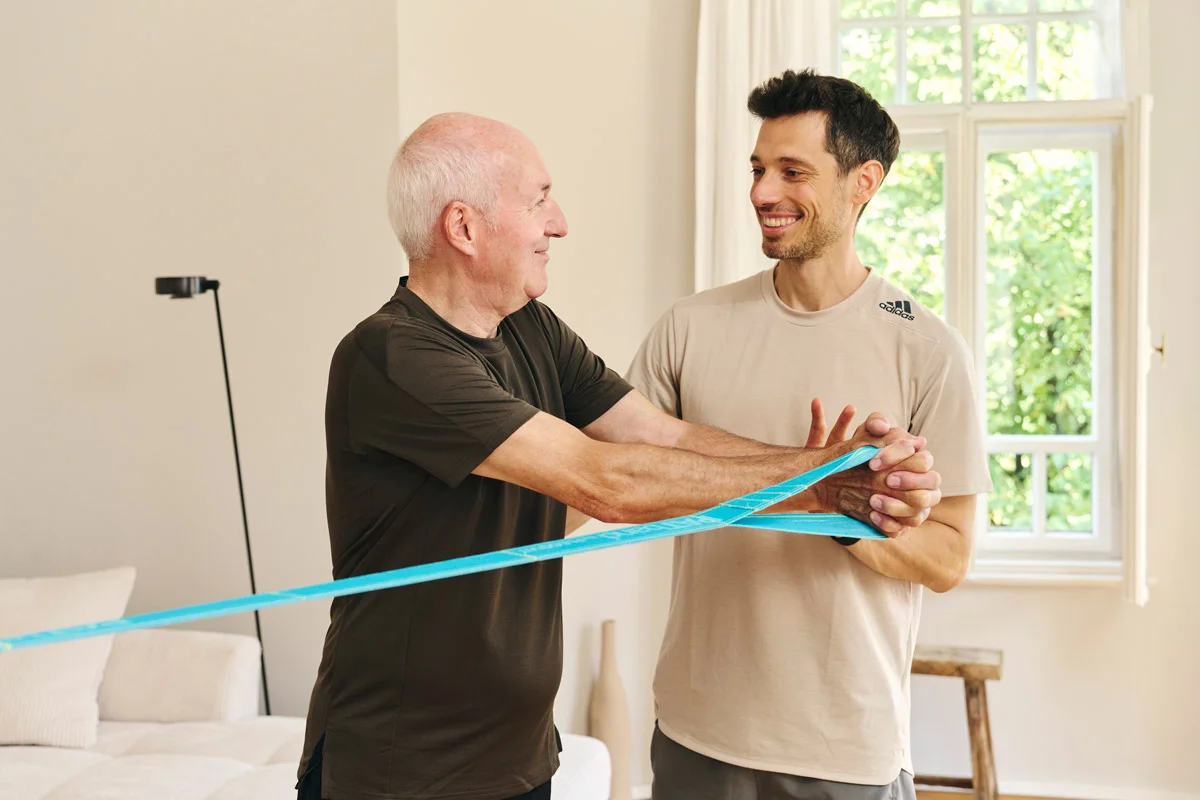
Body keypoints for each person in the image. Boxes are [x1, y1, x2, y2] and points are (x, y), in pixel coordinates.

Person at [297, 111, 944, 800]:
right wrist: (819, 485)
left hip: (515, 759)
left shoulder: (531, 329)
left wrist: (824, 468)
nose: (560, 222)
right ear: (463, 227)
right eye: (539, 199)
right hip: (401, 771)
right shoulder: (394, 357)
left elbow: (657, 434)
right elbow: (602, 481)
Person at [626, 70, 993, 800]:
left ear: (864, 182)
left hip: (845, 749)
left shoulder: (926, 348)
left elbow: (949, 556)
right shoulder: (689, 328)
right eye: (759, 169)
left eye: (793, 171)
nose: (763, 192)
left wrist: (844, 519)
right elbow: (617, 478)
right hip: (697, 730)